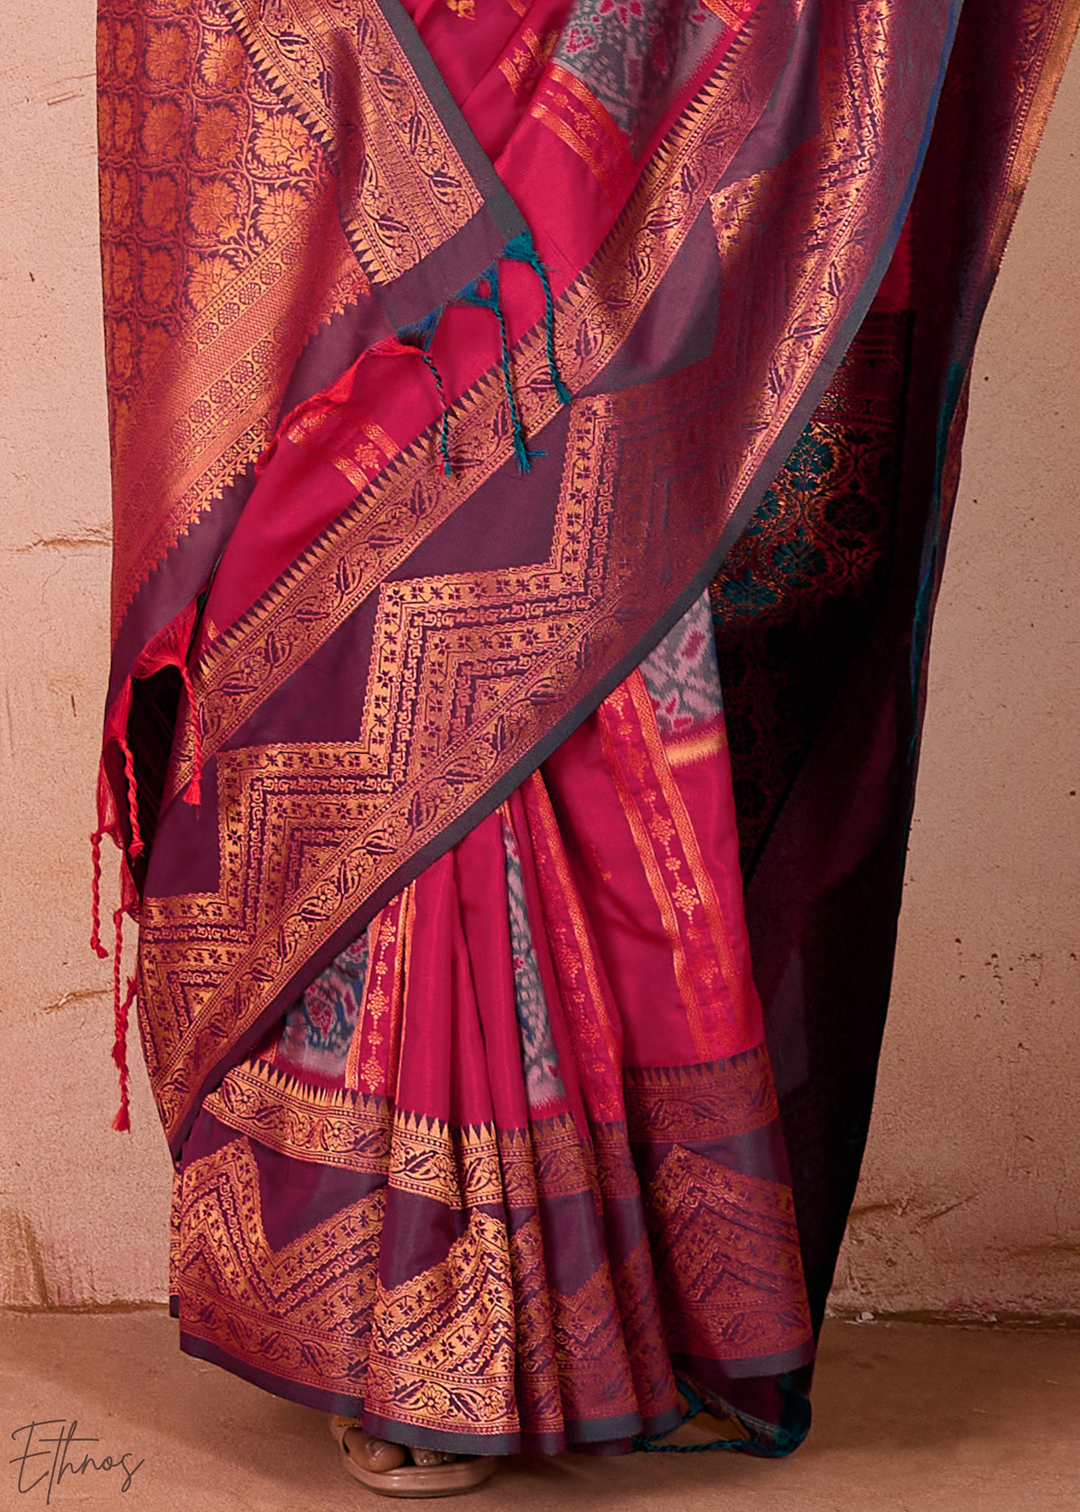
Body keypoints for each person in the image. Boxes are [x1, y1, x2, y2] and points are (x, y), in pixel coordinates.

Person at [93, 0, 1077, 1495]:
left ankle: (620, 1327)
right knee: (380, 693)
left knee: (582, 719)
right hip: (378, 250)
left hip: (606, 237)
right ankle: (412, 1340)